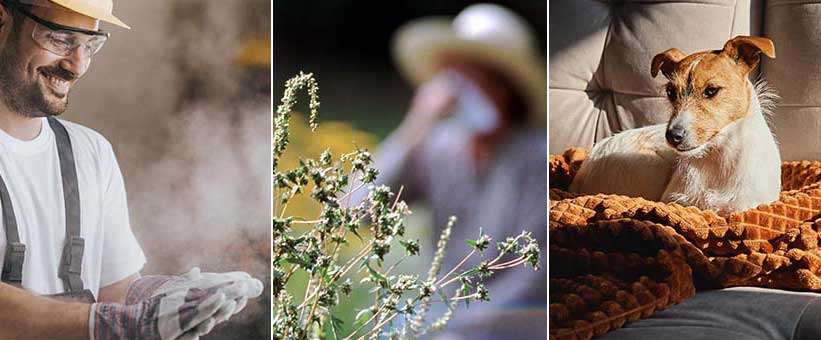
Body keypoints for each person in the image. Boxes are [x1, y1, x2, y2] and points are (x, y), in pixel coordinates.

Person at [0, 0, 262, 339]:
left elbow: (115, 288)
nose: (77, 65)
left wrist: (162, 297)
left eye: (89, 45)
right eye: (60, 40)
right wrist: (110, 325)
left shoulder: (90, 153)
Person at [359, 4, 546, 339]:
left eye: (472, 78)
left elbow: (535, 275)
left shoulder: (535, 158)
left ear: (505, 89)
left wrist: (453, 325)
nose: (460, 91)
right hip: (437, 317)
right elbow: (358, 212)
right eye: (453, 79)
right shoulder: (437, 146)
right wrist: (413, 128)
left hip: (509, 324)